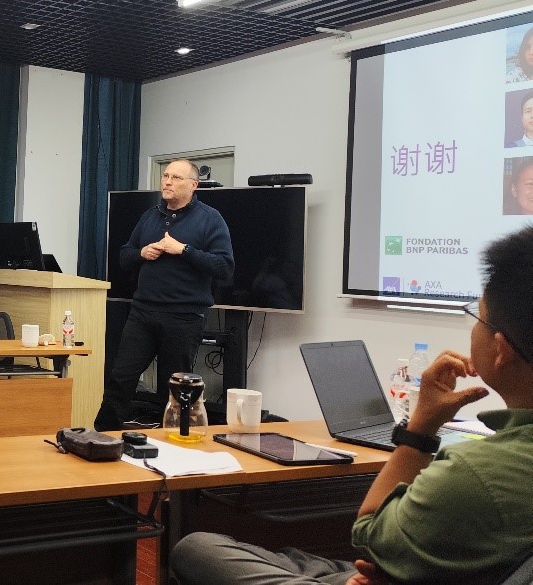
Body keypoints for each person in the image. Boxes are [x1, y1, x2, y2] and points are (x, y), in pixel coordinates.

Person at [171, 225, 533, 584]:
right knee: (290, 558)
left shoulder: (478, 472)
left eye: (476, 314)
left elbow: (369, 537)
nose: (472, 328)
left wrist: (420, 430)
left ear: (501, 350)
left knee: (196, 550)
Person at [95, 159, 234, 430]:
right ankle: (101, 437)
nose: (167, 182)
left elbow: (224, 267)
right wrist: (141, 253)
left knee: (173, 391)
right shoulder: (150, 216)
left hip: (183, 318)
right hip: (142, 313)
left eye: (176, 178)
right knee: (120, 379)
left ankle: (172, 445)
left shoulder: (210, 218)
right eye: (166, 175)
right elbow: (125, 256)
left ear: (193, 185)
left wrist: (184, 250)